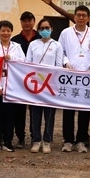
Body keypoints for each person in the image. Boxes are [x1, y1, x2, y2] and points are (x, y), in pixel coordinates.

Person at [58, 5, 90, 153]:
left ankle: (81, 140)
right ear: (74, 17)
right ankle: (68, 141)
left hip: (87, 77)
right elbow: (61, 51)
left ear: (88, 18)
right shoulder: (66, 33)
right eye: (78, 15)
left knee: (84, 110)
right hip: (70, 76)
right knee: (68, 110)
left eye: (84, 15)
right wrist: (66, 62)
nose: (81, 18)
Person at [26, 18, 64, 154]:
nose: (45, 30)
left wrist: (52, 80)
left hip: (50, 85)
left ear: (51, 29)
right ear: (38, 30)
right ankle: (36, 140)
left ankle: (47, 141)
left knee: (49, 115)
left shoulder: (57, 45)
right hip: (35, 84)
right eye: (42, 28)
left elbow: (58, 65)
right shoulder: (33, 44)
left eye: (47, 28)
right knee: (35, 114)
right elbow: (27, 63)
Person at [0, 20, 25, 152]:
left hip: (13, 86)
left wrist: (11, 58)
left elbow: (24, 62)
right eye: (3, 31)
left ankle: (8, 142)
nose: (6, 33)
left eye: (8, 30)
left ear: (11, 32)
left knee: (10, 115)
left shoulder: (17, 47)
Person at [11, 11, 40, 149]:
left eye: (30, 20)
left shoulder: (40, 38)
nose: (27, 23)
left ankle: (35, 137)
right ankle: (21, 137)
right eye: (24, 21)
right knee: (19, 110)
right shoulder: (15, 40)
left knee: (35, 110)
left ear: (34, 22)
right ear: (21, 22)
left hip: (38, 80)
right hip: (19, 80)